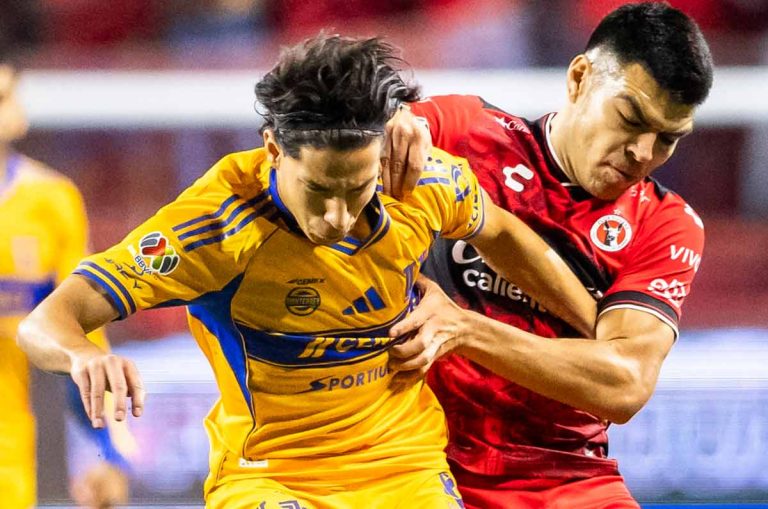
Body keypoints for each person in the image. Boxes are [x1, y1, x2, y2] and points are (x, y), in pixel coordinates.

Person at [17, 34, 597, 508]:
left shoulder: (420, 181)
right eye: (319, 190)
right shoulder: (216, 225)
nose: (338, 216)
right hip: (271, 477)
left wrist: (593, 324)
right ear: (274, 150)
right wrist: (82, 354)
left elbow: (500, 233)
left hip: (404, 468)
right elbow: (46, 322)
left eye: (358, 187)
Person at [385, 2, 714, 508]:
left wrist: (464, 329)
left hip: (564, 476)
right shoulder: (464, 131)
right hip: (413, 458)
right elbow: (324, 138)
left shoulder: (665, 223)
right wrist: (382, 119)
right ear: (579, 78)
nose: (643, 154)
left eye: (668, 139)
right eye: (630, 118)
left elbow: (624, 384)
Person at [0, 40, 131, 508]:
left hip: (9, 458)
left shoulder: (51, 200)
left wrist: (104, 450)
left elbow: (80, 330)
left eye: (6, 97)